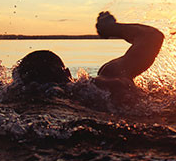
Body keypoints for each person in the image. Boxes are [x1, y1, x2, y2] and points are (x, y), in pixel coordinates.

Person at [13, 11, 164, 99]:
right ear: (67, 72)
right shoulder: (102, 81)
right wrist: (111, 28)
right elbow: (152, 37)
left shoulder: (18, 100)